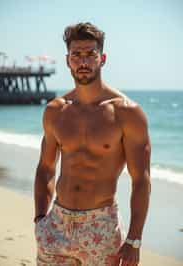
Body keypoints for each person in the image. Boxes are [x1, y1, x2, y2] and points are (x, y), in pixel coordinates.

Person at [34, 22, 151, 266]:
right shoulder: (56, 111)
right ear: (68, 61)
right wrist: (40, 219)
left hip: (101, 227)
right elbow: (46, 168)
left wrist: (135, 239)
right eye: (76, 55)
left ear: (102, 58)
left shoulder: (127, 113)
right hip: (56, 225)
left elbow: (141, 179)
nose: (83, 62)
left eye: (90, 54)